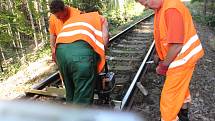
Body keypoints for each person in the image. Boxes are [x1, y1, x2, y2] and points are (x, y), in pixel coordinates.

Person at [136, 0, 204, 121]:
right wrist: (159, 54)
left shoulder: (171, 9)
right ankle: (183, 116)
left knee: (169, 99)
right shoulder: (161, 8)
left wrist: (164, 65)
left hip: (183, 58)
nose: (146, 7)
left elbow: (177, 45)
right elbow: (165, 37)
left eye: (145, 3)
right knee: (179, 89)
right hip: (181, 57)